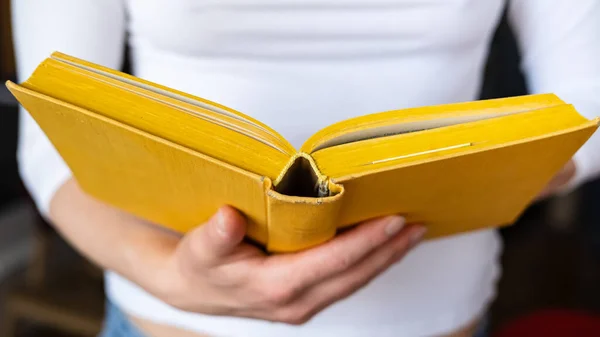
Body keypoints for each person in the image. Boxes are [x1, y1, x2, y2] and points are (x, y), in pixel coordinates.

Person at [11, 1, 600, 336]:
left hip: (433, 319)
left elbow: (590, 99)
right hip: (167, 319)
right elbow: (50, 136)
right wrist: (169, 275)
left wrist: (489, 172)